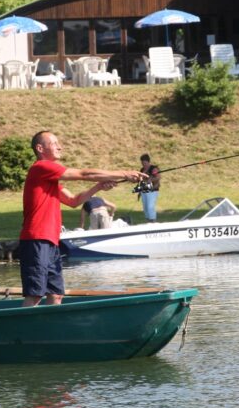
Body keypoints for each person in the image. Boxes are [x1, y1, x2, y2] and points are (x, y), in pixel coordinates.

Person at [19, 131, 146, 307]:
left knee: (56, 295)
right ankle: (26, 332)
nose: (60, 146)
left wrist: (98, 186)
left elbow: (73, 201)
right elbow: (84, 174)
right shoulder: (40, 168)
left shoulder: (49, 179)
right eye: (54, 143)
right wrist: (123, 173)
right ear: (40, 148)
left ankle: (50, 329)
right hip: (36, 239)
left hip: (50, 241)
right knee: (35, 295)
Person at [138, 153, 162, 223]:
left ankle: (153, 221)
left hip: (152, 190)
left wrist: (150, 180)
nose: (143, 165)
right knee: (145, 208)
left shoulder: (153, 169)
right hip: (144, 191)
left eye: (144, 163)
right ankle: (148, 221)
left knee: (150, 207)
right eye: (142, 163)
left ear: (148, 162)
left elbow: (158, 177)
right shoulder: (142, 170)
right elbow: (141, 180)